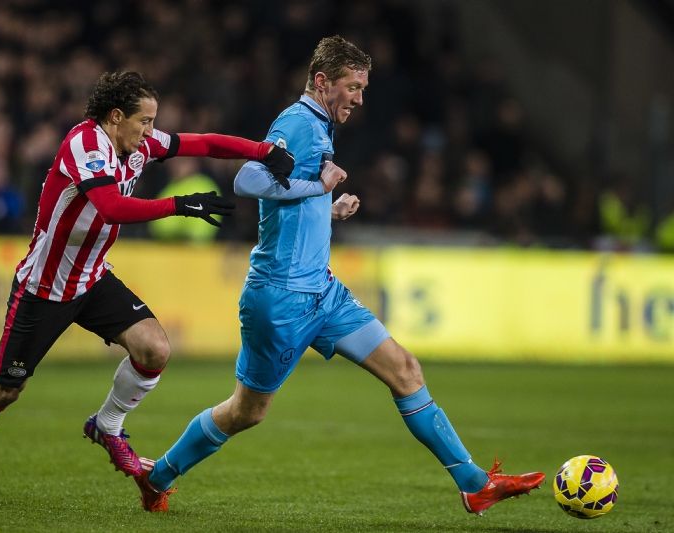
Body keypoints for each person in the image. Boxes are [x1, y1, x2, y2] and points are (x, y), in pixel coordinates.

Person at [134, 36, 544, 515]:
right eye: (353, 87)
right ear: (323, 81)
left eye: (363, 88)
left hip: (323, 293)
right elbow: (248, 180)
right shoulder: (298, 122)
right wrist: (319, 186)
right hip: (281, 297)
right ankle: (158, 476)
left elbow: (286, 198)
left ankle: (474, 485)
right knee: (247, 411)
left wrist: (325, 209)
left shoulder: (319, 126)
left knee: (405, 369)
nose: (359, 98)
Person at [0, 71, 294, 506]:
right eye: (145, 121)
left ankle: (106, 425)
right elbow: (111, 207)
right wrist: (179, 205)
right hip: (45, 286)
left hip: (93, 278)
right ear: (116, 116)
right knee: (5, 389)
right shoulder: (84, 144)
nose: (150, 131)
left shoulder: (139, 144)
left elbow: (201, 143)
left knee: (154, 349)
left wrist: (263, 151)